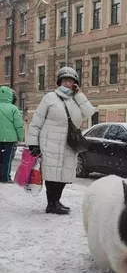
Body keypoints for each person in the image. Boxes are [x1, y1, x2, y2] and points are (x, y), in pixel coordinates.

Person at [26, 67, 95, 215]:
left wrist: (80, 94)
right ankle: (51, 204)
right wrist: (33, 142)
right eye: (64, 80)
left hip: (69, 143)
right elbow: (37, 121)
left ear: (75, 84)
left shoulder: (76, 100)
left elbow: (89, 112)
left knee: (64, 174)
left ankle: (57, 201)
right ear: (59, 82)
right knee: (52, 174)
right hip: (50, 141)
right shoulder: (50, 98)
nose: (67, 83)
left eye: (70, 81)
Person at [0, 86, 25, 184]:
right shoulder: (14, 109)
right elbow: (18, 125)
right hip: (9, 139)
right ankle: (5, 177)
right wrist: (20, 137)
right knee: (7, 159)